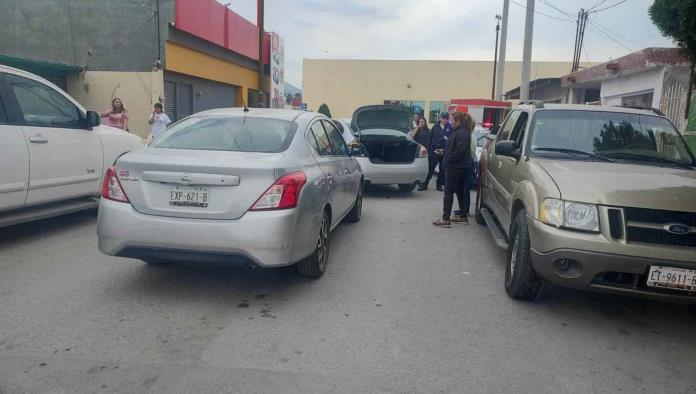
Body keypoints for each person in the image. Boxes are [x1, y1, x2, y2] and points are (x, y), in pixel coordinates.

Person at [433, 111, 474, 227]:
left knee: (448, 192)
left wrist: (450, 159)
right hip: (460, 166)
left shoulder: (462, 133)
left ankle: (445, 219)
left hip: (456, 167)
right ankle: (463, 215)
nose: (450, 123)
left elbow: (460, 150)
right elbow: (454, 147)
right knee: (459, 191)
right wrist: (444, 151)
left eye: (452, 121)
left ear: (458, 122)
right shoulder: (460, 132)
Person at [420, 112, 450, 191]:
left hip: (444, 152)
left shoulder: (450, 127)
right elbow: (430, 138)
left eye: (446, 118)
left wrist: (446, 150)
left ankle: (439, 185)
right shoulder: (435, 126)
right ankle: (425, 185)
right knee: (430, 168)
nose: (444, 119)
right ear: (440, 118)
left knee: (442, 169)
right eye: (443, 117)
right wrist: (430, 149)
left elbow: (451, 140)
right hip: (434, 151)